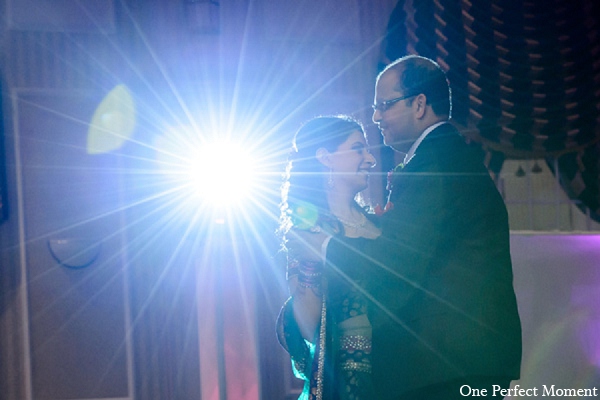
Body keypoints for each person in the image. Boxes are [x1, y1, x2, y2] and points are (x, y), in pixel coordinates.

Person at [322, 54, 523, 399]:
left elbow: (400, 257)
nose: (376, 117)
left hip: (445, 362)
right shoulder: (445, 154)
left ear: (419, 104)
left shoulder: (435, 162)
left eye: (384, 105)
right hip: (454, 359)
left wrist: (325, 248)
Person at [276, 115, 381, 400]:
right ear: (326, 157)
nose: (370, 159)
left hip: (405, 365)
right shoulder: (306, 235)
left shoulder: (381, 226)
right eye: (358, 148)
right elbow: (310, 327)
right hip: (353, 380)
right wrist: (313, 259)